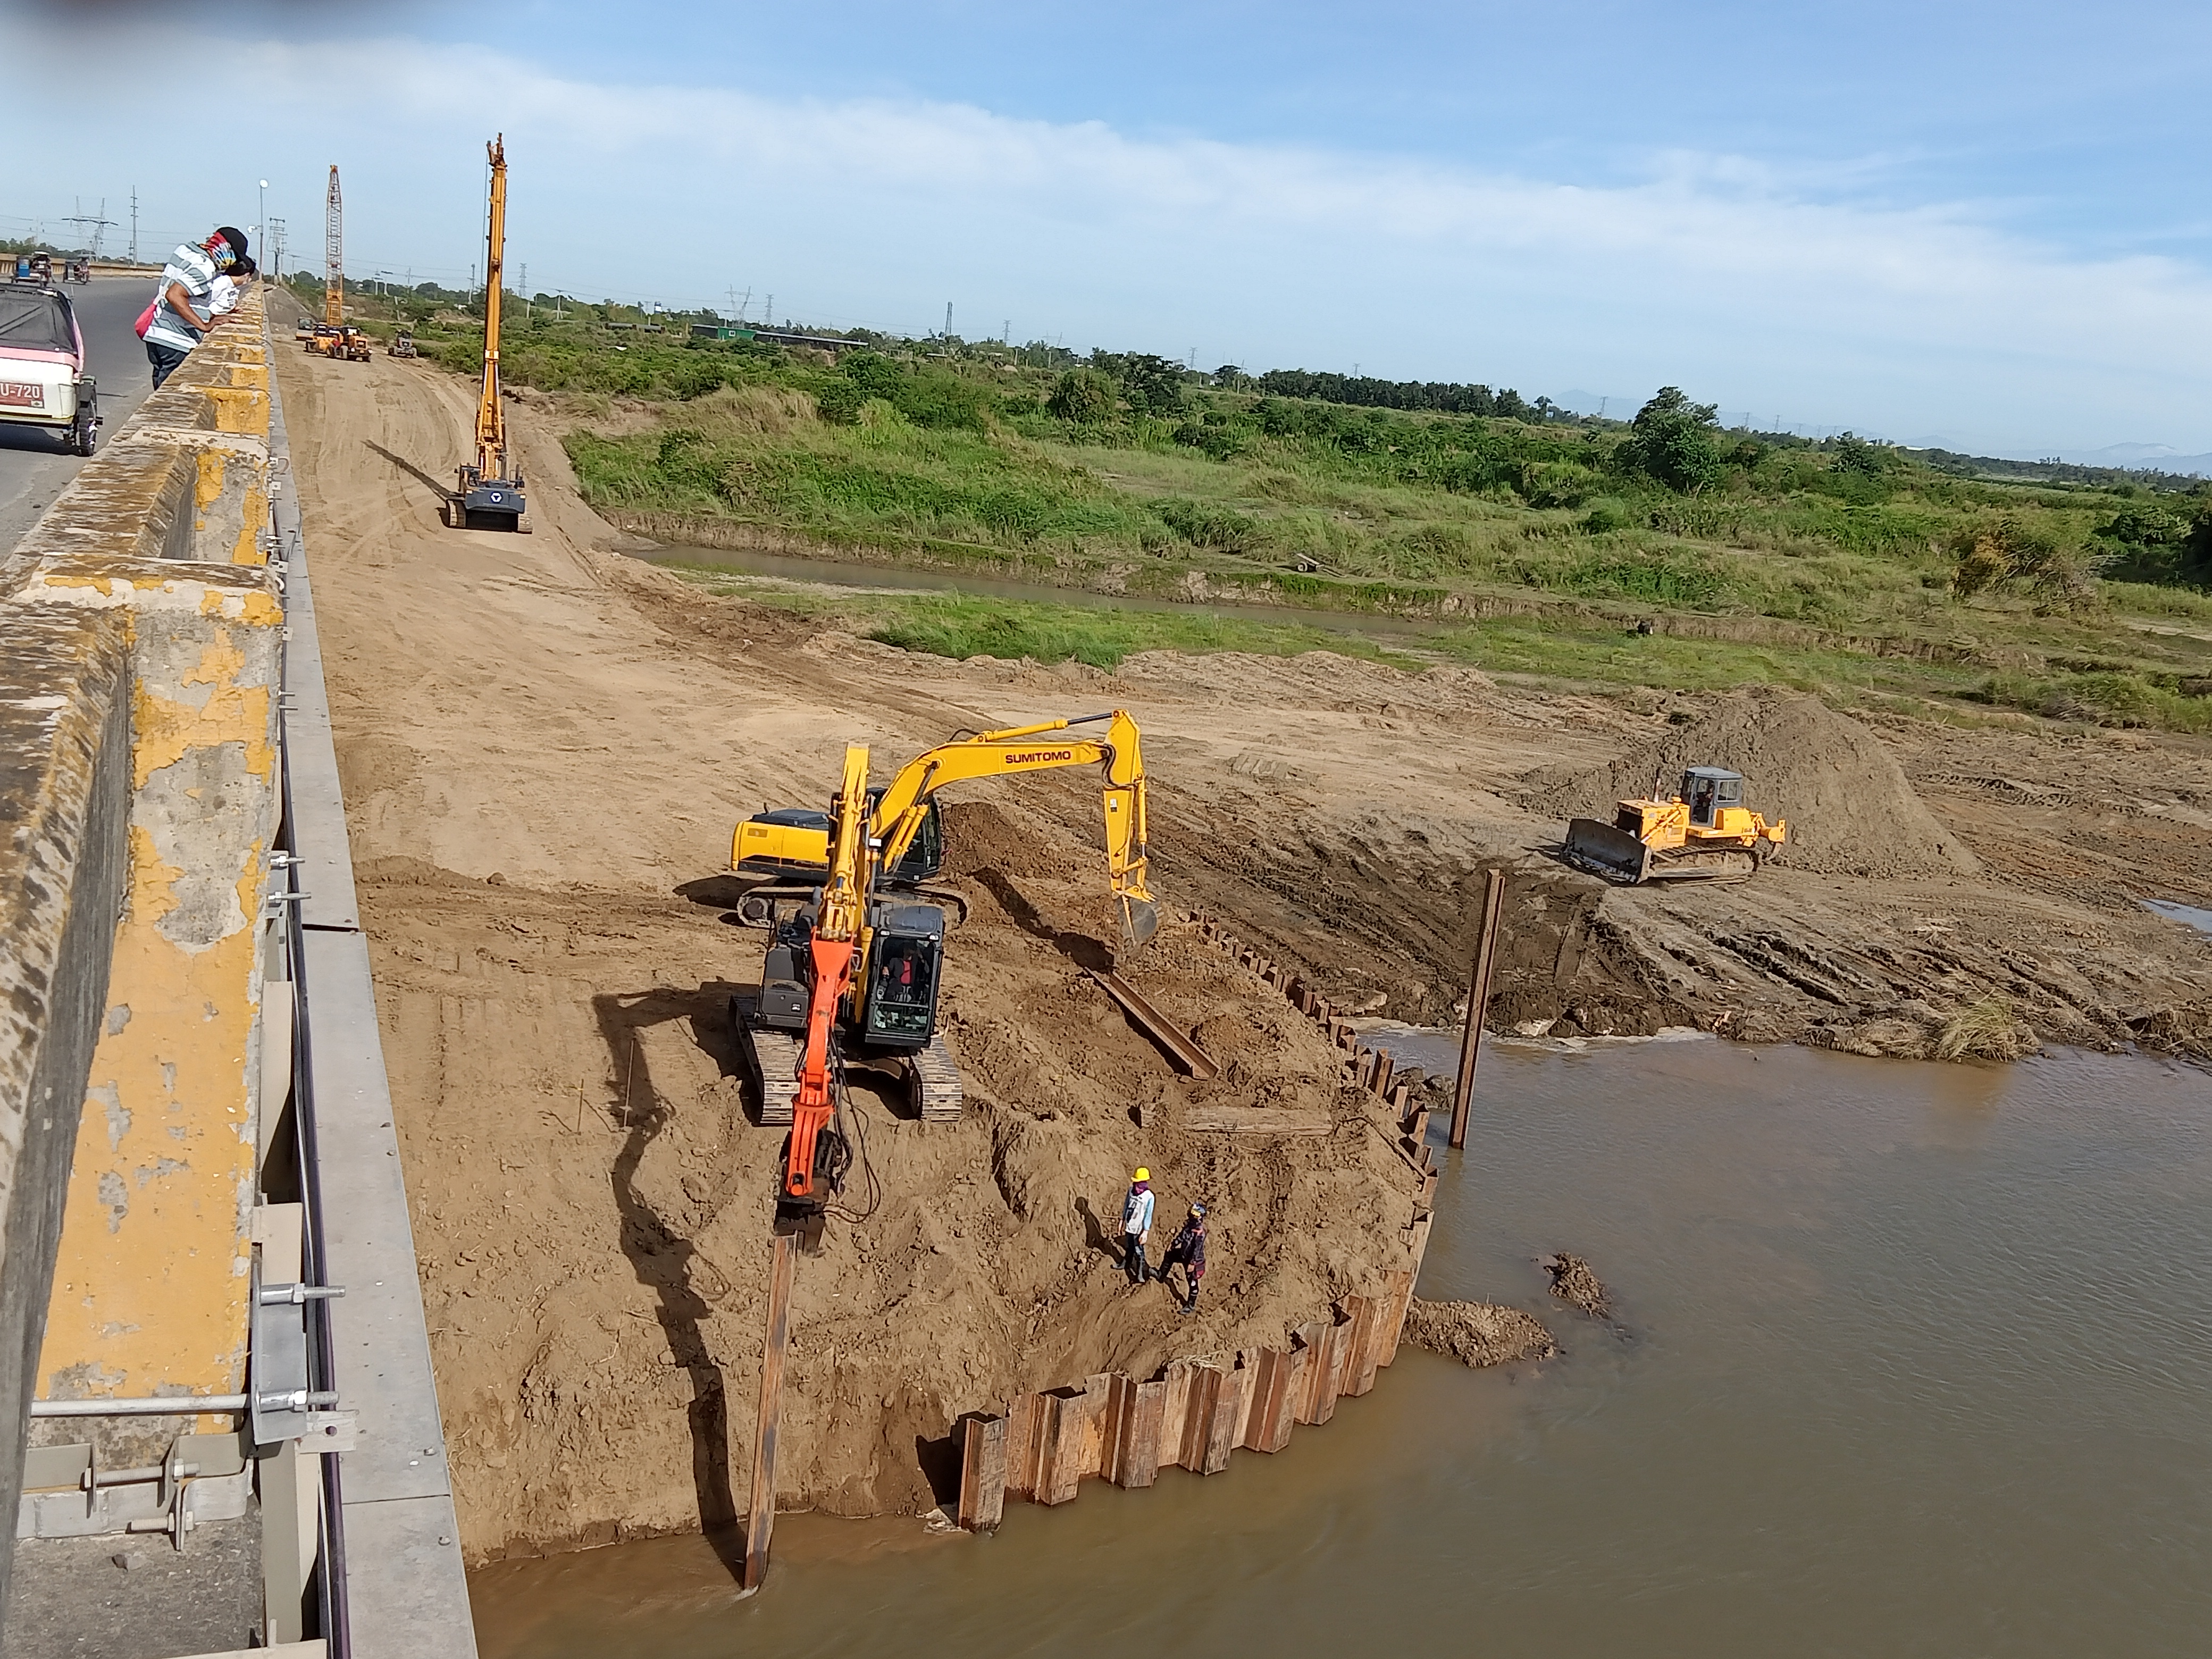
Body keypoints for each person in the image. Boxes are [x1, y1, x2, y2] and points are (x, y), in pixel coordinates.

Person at [143, 227, 247, 390]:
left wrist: (210, 315)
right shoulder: (206, 267)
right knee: (172, 399)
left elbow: (191, 299)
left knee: (160, 390)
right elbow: (175, 295)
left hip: (156, 336)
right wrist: (204, 325)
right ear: (226, 249)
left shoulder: (184, 251)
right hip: (176, 341)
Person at [1161, 1203, 1208, 1314]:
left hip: (1193, 1261)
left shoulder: (1200, 1231)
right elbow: (1182, 1236)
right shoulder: (1189, 1226)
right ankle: (1161, 1275)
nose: (1192, 1216)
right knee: (1170, 1255)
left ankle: (1190, 1306)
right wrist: (1173, 1244)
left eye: (1194, 1215)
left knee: (1192, 1282)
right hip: (1184, 1254)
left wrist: (1192, 1263)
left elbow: (1197, 1249)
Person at [1120, 1168, 1155, 1286]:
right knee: (1129, 1246)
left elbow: (1148, 1215)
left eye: (1140, 1184)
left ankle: (1140, 1273)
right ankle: (1126, 1263)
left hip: (1139, 1229)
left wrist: (1145, 1231)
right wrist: (1122, 1220)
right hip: (1129, 1225)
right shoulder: (1131, 1191)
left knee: (1139, 1251)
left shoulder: (1149, 1197)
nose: (1137, 1187)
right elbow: (1126, 1205)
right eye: (1136, 1184)